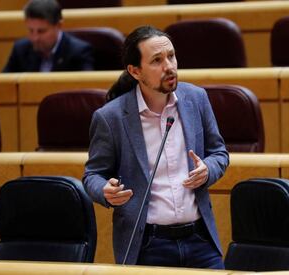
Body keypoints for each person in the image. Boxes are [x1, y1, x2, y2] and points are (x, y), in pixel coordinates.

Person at [83, 25, 229, 268]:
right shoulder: (111, 117)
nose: (169, 66)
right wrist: (105, 191)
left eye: (171, 56)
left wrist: (208, 170)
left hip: (200, 239)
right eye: (157, 61)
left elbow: (219, 153)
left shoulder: (197, 99)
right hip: (148, 245)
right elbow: (93, 175)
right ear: (135, 71)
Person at [2, 0, 94, 72]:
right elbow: (5, 86)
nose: (35, 38)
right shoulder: (20, 49)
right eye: (31, 30)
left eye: (41, 31)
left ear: (58, 25)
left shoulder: (79, 52)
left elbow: (84, 91)